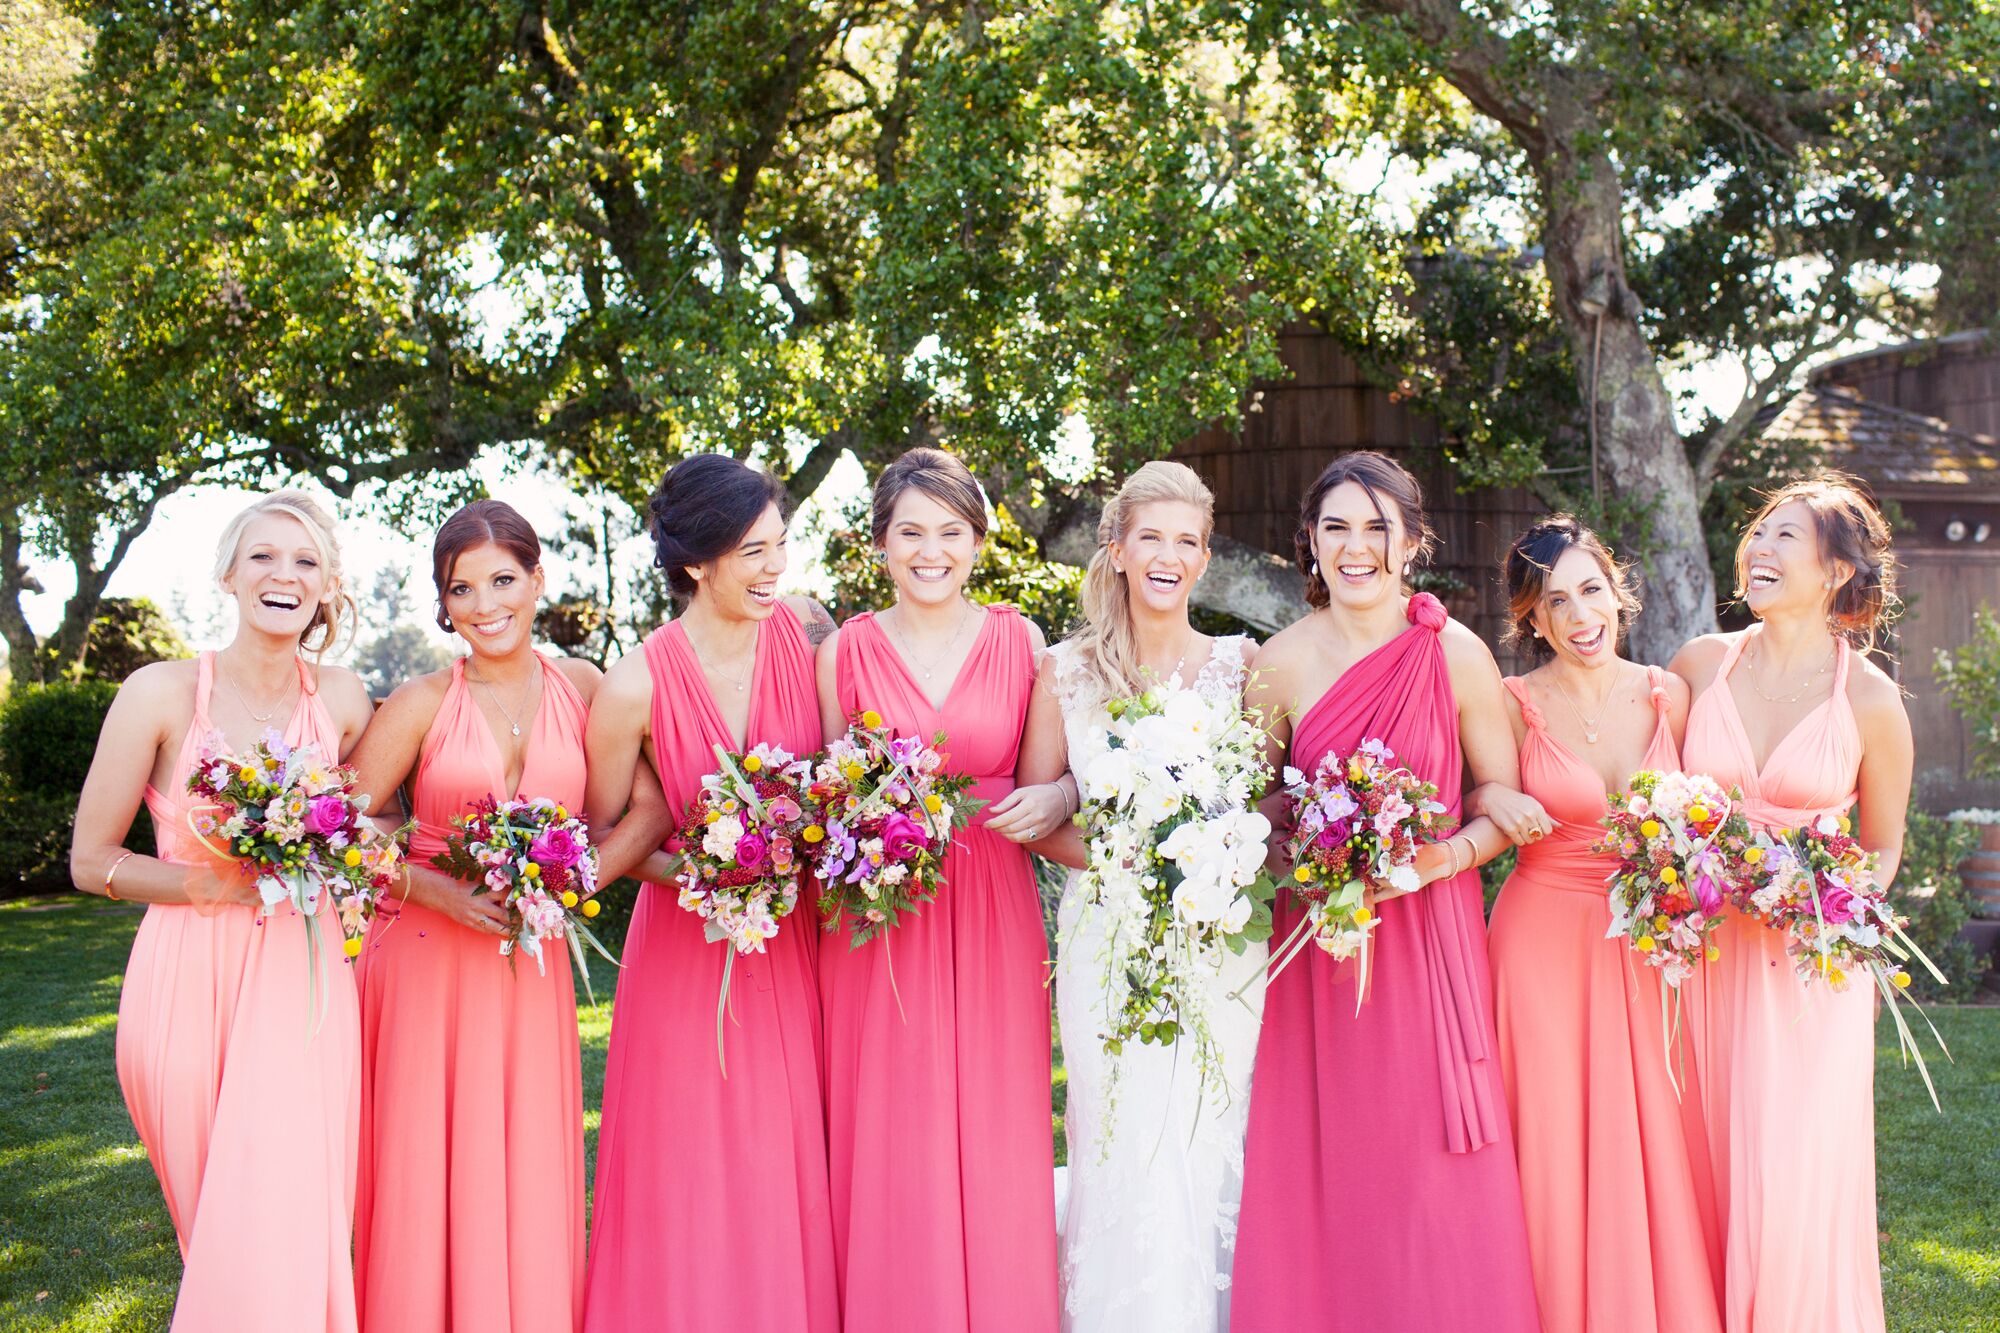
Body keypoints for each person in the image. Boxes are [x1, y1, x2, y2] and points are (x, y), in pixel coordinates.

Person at [1229, 451, 1540, 1332]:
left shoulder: (1455, 651)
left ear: (1410, 542)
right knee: (1339, 1158)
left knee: (1433, 1162)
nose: (1356, 546)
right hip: (1325, 942)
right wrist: (1310, 855)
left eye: (1377, 527)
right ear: (1310, 542)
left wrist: (1439, 860)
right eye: (1336, 527)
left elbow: (1497, 801)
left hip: (1431, 933)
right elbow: (1255, 812)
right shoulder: (1278, 664)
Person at [347, 500, 664, 1332]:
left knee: (522, 1156)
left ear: (537, 580)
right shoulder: (419, 701)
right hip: (423, 956)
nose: (486, 604)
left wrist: (580, 875)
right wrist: (434, 889)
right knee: (425, 1157)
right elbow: (337, 825)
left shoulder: (588, 687)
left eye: (502, 580)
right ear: (444, 604)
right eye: (463, 588)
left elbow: (650, 807)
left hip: (531, 958)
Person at [70, 490, 374, 1332]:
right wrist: (207, 885)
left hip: (307, 983)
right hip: (186, 977)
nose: (285, 574)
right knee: (213, 1218)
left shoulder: (345, 700)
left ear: (327, 586)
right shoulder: (160, 692)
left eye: (305, 560)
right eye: (265, 556)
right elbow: (91, 860)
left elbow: (380, 823)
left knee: (295, 1214)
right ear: (228, 574)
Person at [579, 454, 840, 1333]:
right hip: (687, 955)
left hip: (794, 942)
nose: (775, 570)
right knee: (687, 1159)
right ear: (696, 561)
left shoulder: (809, 649)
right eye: (752, 553)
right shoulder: (635, 683)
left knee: (785, 1151)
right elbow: (607, 834)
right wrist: (712, 872)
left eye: (780, 547)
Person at [1005, 460, 1264, 1333]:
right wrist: (1133, 864)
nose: (1168, 555)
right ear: (1116, 550)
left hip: (1219, 942)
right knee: (1119, 1139)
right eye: (1150, 537)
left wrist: (1212, 859)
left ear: (1203, 559)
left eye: (1187, 541)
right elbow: (1036, 815)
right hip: (1106, 937)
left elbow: (1267, 802)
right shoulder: (1065, 671)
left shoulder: (1240, 664)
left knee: (1212, 1130)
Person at [815, 446, 1059, 1333]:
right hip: (881, 916)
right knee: (891, 1132)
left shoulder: (1023, 640)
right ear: (880, 543)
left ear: (979, 540)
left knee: (996, 1129)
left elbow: (1043, 792)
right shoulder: (843, 649)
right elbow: (830, 800)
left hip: (993, 902)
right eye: (910, 531)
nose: (931, 550)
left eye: (951, 531)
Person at [1673, 474, 1912, 1333]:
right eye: (1758, 533)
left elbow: (1882, 846)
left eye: (1785, 538)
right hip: (1699, 952)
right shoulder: (1700, 664)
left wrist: (1823, 896)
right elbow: (1652, 797)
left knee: (1789, 1169)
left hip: (1804, 972)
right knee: (1698, 1155)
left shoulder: (1874, 702)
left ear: (1838, 570)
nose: (1759, 550)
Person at [1479, 516, 1722, 1333]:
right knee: (1550, 1133)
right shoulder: (1512, 703)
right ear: (1532, 618)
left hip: (1650, 941)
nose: (1580, 615)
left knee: (1654, 1123)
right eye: (1556, 600)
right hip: (1543, 940)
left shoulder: (1668, 694)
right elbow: (1477, 791)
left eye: (1591, 590)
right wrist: (1490, 797)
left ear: (1615, 594)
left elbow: (1707, 814)